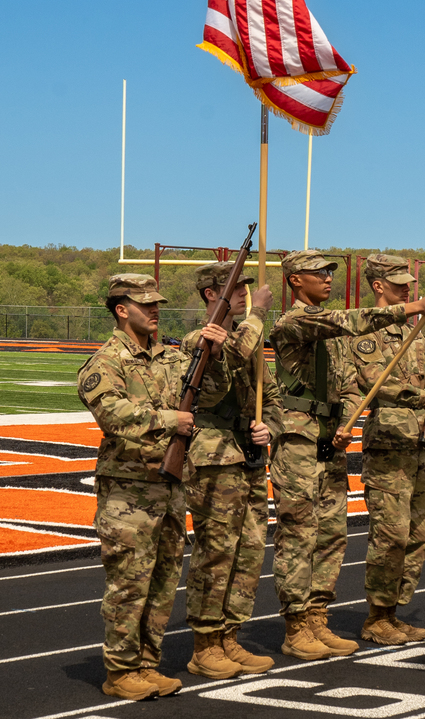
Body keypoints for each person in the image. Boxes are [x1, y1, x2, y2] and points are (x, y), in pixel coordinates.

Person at [268, 250, 425, 662]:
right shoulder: (294, 322)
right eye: (318, 273)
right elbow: (347, 321)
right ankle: (296, 626)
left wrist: (347, 419)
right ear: (295, 280)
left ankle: (317, 618)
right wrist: (414, 307)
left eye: (330, 272)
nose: (327, 278)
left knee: (331, 536)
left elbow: (351, 384)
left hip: (330, 438)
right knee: (298, 536)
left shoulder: (333, 335)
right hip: (298, 439)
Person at [77, 273, 229, 702]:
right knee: (129, 584)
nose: (155, 310)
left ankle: (146, 663)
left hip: (169, 487)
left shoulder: (171, 358)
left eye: (156, 303)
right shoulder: (105, 362)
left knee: (163, 582)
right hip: (129, 491)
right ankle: (120, 670)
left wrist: (215, 356)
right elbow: (112, 414)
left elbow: (212, 395)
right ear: (121, 309)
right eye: (145, 304)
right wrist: (168, 420)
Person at [349, 254, 425, 646]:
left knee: (416, 537)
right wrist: (424, 400)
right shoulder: (367, 333)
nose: (406, 289)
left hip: (418, 447)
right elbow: (375, 382)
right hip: (389, 446)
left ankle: (393, 613)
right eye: (397, 284)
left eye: (406, 283)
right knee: (390, 535)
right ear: (378, 286)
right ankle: (376, 616)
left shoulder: (418, 334)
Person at [181, 263, 280, 679]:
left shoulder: (247, 338)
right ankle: (205, 644)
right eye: (236, 287)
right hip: (213, 458)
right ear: (211, 294)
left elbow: (271, 397)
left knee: (250, 551)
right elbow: (231, 355)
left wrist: (269, 426)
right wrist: (258, 314)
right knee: (217, 552)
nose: (245, 293)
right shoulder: (198, 339)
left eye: (246, 287)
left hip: (248, 457)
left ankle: (230, 635)